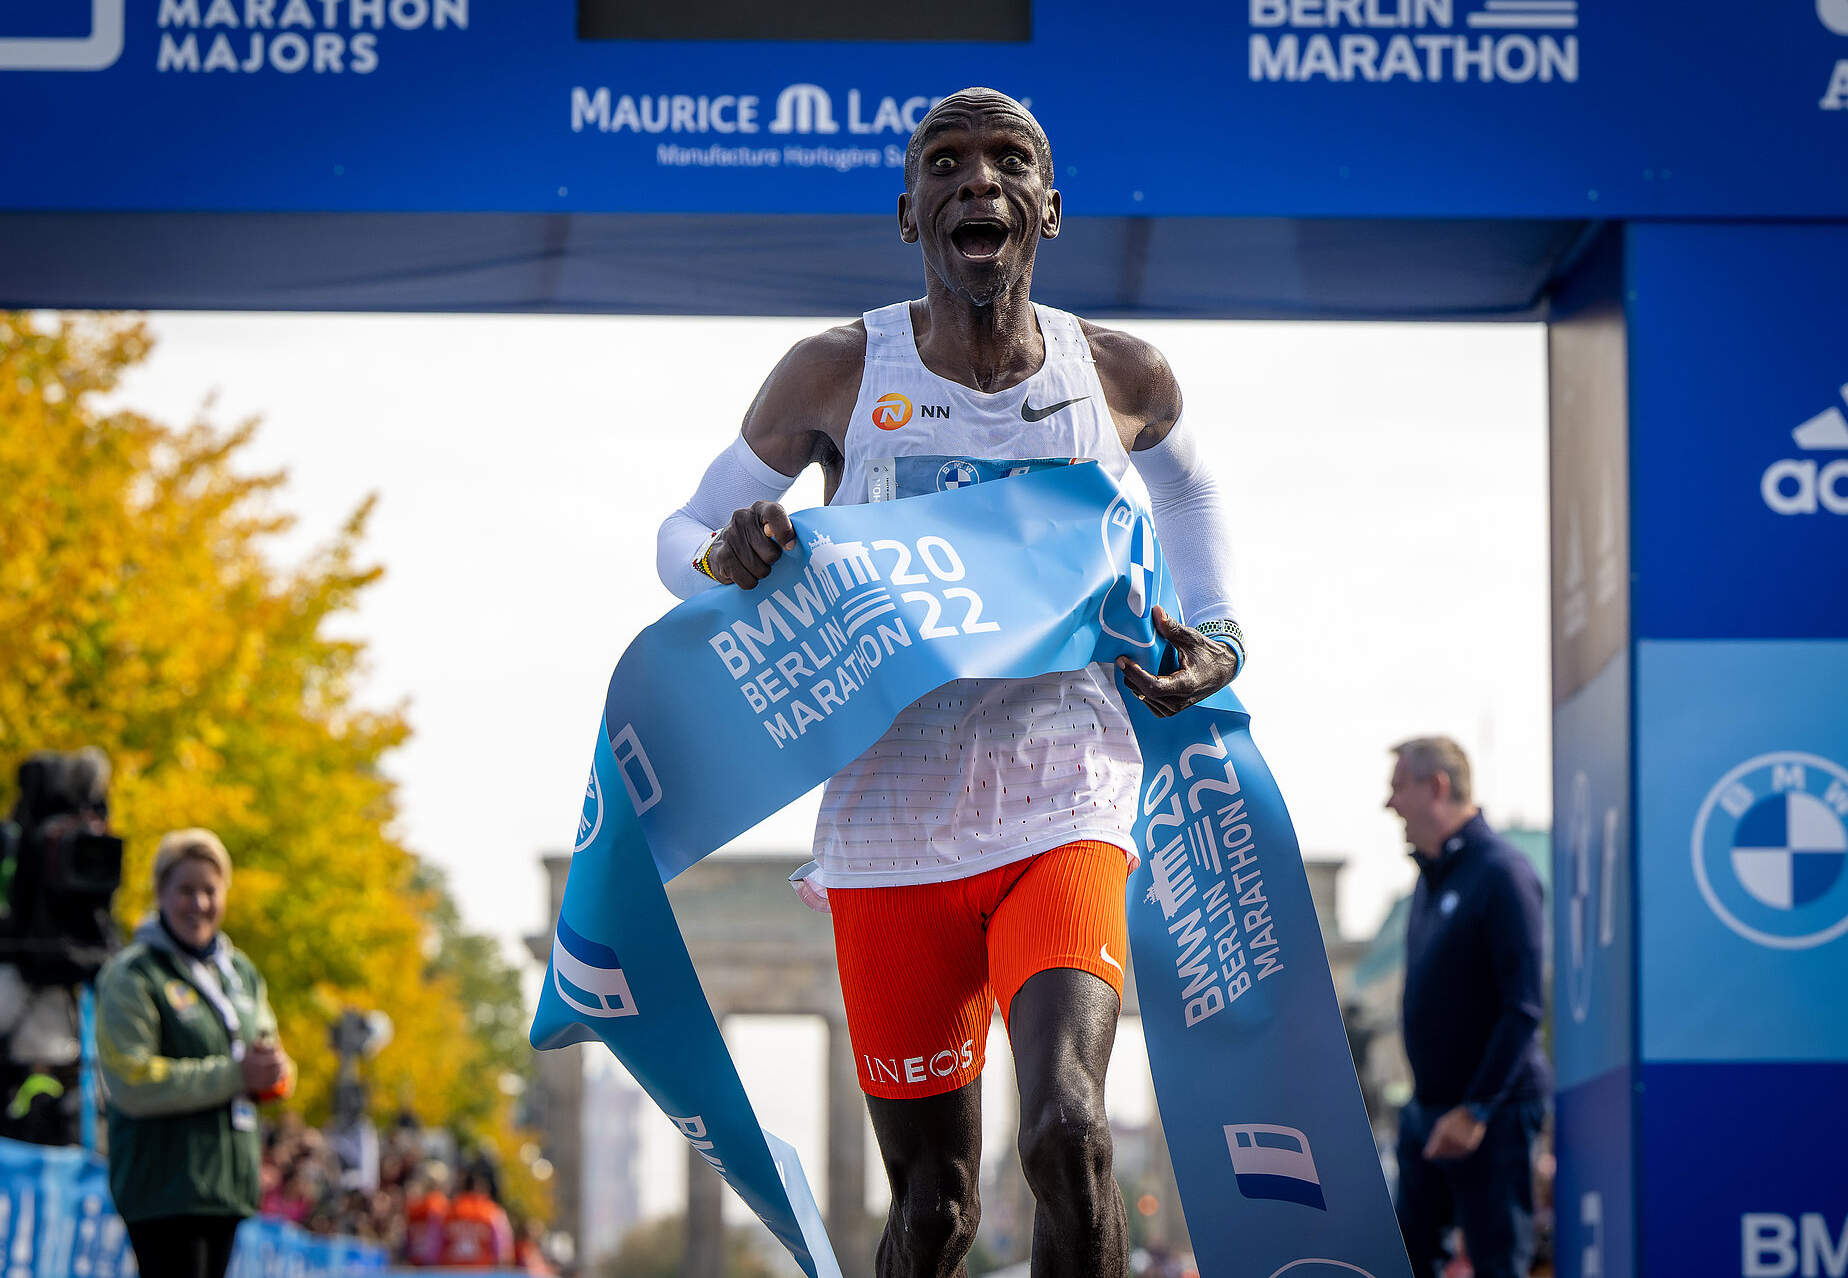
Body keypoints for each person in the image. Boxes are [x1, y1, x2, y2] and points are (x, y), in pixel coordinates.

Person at [656, 87, 1244, 1278]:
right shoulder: (833, 372)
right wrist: (734, 557)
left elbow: (1188, 491)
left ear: (1049, 211)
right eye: (947, 163)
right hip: (891, 824)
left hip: (1065, 789)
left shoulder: (1117, 371)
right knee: (934, 1211)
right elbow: (682, 538)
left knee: (1070, 1131)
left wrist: (1220, 630)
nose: (979, 181)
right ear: (909, 209)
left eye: (1008, 161)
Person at [1384, 737, 1550, 1278]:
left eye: (1398, 788)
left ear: (1436, 787)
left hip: (1491, 1115)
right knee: (1408, 1262)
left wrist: (1476, 1109)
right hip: (1429, 1113)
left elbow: (1523, 1006)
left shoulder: (1501, 873)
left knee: (1500, 1264)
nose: (1390, 805)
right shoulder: (1430, 881)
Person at [95, 827, 294, 1278]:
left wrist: (279, 1071)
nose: (199, 904)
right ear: (160, 892)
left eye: (210, 890)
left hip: (227, 1186)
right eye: (185, 890)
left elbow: (267, 1050)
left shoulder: (239, 971)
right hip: (164, 1188)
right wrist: (238, 1075)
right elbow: (132, 1082)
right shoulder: (133, 975)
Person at [440, 1165, 513, 1267]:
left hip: (450, 1271)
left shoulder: (447, 1210)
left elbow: (434, 1247)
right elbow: (502, 1251)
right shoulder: (492, 1212)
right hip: (482, 1271)